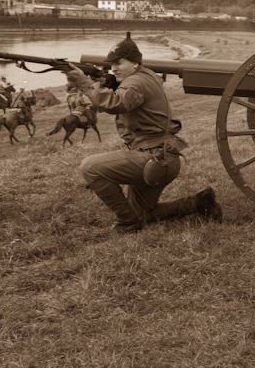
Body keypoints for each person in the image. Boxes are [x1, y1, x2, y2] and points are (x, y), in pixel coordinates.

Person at [65, 32, 222, 233]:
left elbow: (115, 103)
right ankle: (197, 203)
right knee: (142, 213)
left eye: (119, 63)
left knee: (90, 167)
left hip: (153, 157)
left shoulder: (136, 82)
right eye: (111, 64)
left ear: (135, 63)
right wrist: (104, 82)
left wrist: (85, 84)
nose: (113, 68)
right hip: (163, 157)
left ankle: (127, 222)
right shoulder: (146, 76)